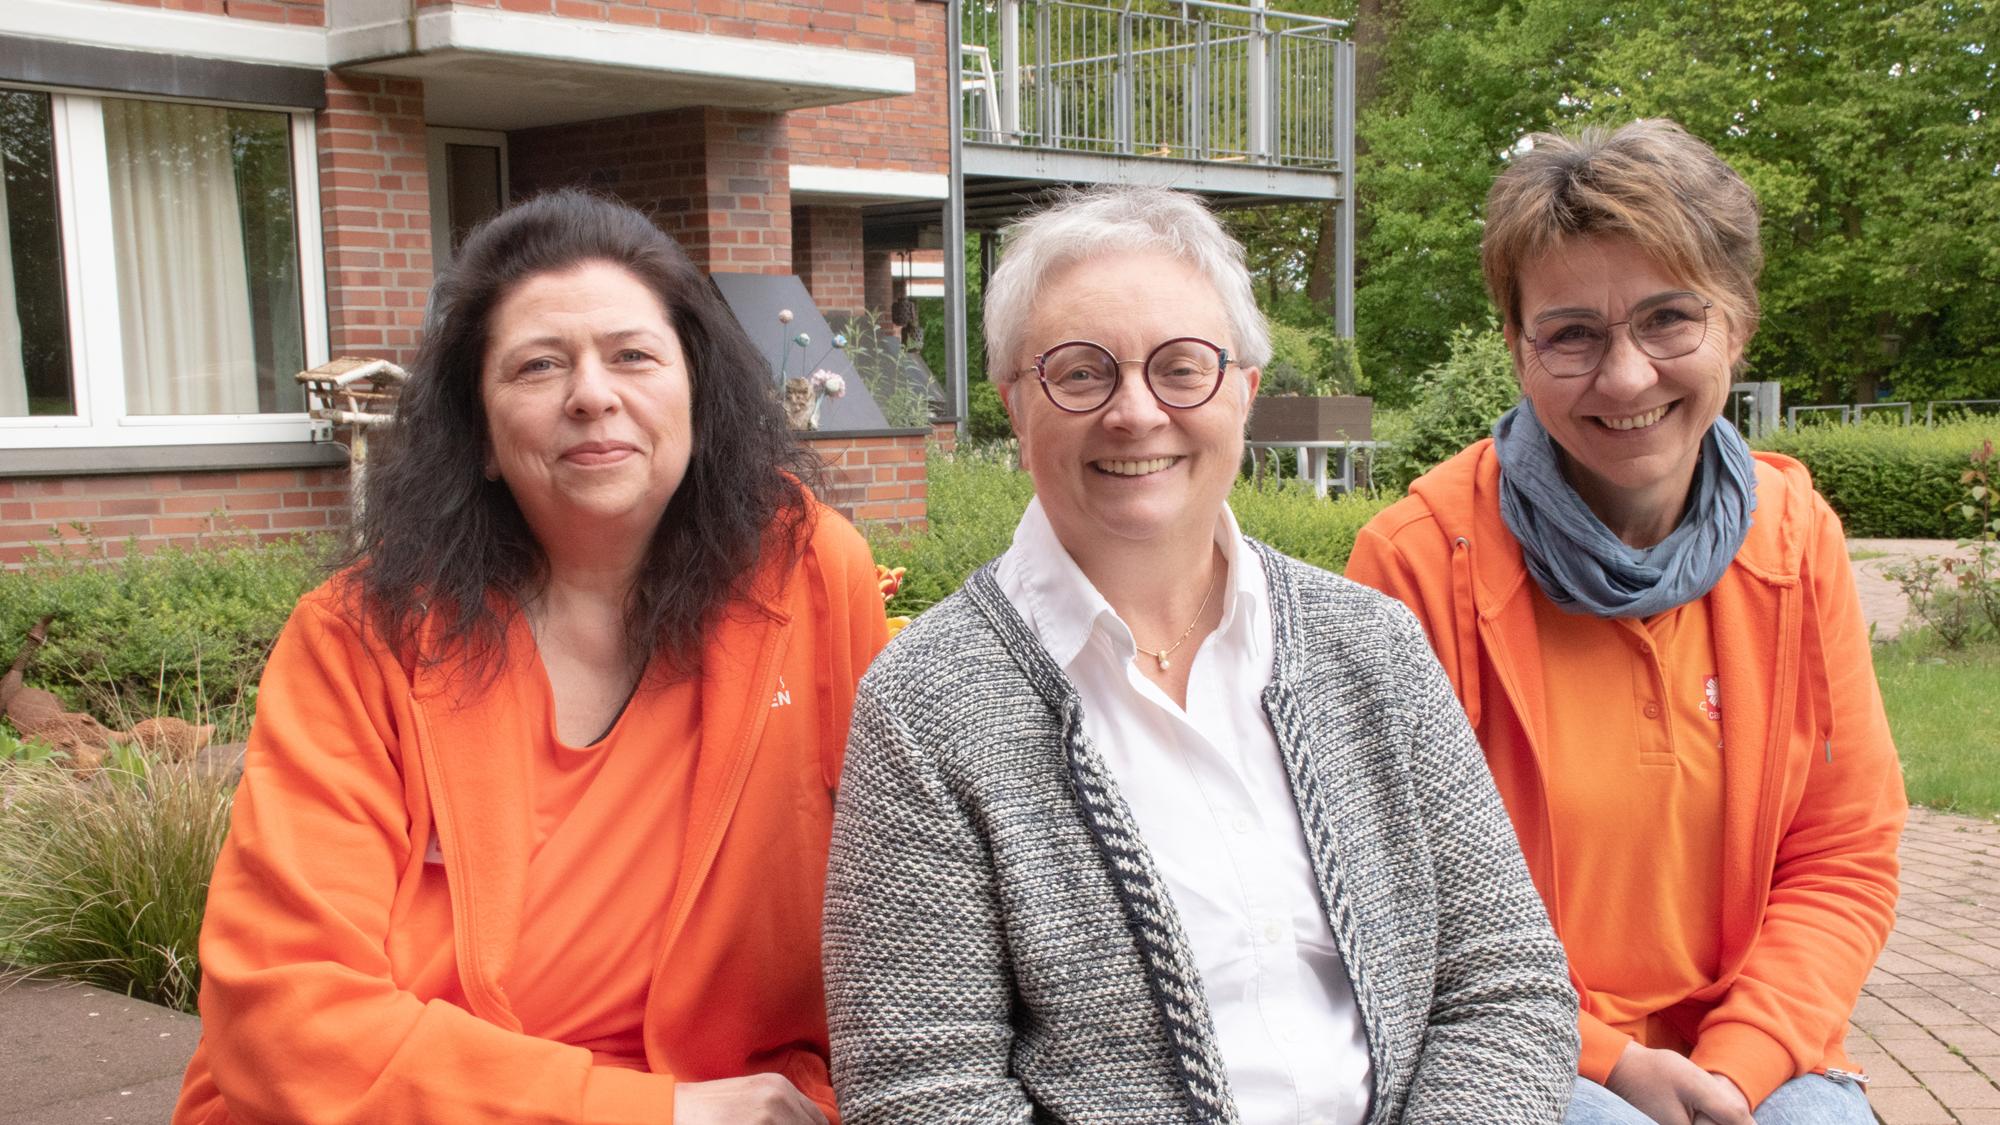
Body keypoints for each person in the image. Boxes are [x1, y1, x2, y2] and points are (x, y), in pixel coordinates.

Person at [822, 185, 1578, 1124]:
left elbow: (1504, 982)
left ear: (1244, 395)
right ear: (1017, 408)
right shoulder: (927, 704)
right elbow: (921, 1089)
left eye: (1182, 368)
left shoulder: (1372, 646)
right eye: (1080, 372)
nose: (1136, 412)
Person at [173, 190, 889, 1124]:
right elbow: (284, 1012)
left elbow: (904, 899)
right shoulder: (361, 639)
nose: (593, 392)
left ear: (699, 401)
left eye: (633, 355)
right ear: (477, 439)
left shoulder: (808, 571)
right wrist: (663, 1114)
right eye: (539, 365)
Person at [1347, 120, 1906, 1125]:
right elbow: (1392, 900)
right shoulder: (1418, 561)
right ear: (1517, 351)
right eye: (1570, 333)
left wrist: (1738, 1068)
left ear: (1734, 322)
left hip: (1747, 1039)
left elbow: (1842, 849)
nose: (1623, 377)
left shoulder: (1791, 536)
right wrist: (1612, 1064)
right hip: (1514, 1038)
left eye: (1665, 320)